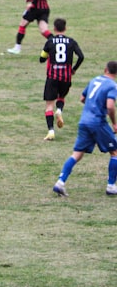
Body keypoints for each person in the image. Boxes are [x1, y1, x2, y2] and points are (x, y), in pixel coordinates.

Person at [52, 60, 117, 198]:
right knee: (115, 152)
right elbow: (110, 106)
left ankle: (60, 182)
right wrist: (114, 123)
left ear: (105, 69)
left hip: (84, 121)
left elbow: (82, 98)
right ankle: (111, 186)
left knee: (77, 154)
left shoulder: (94, 80)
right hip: (98, 122)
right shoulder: (112, 85)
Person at [39, 18, 85, 141]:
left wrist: (47, 54)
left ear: (54, 28)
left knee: (49, 105)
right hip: (66, 76)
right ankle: (59, 110)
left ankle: (51, 131)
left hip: (52, 76)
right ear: (65, 28)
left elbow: (42, 58)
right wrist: (74, 69)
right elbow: (81, 56)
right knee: (61, 97)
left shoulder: (50, 41)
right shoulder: (71, 42)